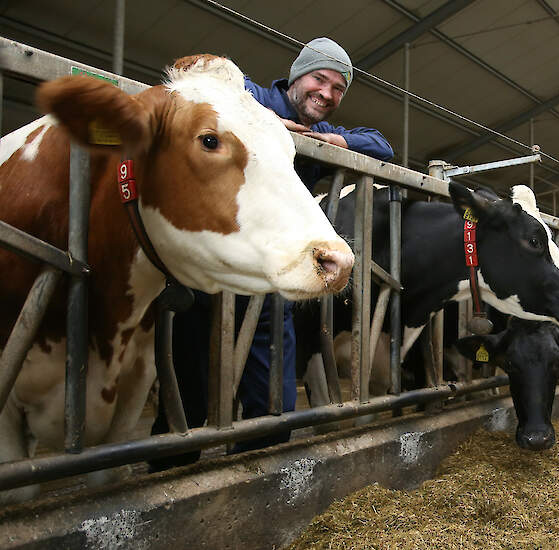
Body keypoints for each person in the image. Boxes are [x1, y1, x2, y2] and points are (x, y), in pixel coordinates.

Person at [149, 38, 393, 470]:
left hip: (268, 280)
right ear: (297, 76)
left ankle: (253, 483)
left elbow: (381, 146)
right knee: (186, 403)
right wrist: (269, 122)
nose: (328, 93)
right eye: (320, 79)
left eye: (339, 88)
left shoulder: (319, 131)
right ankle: (167, 480)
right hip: (209, 270)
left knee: (274, 409)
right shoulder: (251, 99)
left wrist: (329, 140)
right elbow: (210, 75)